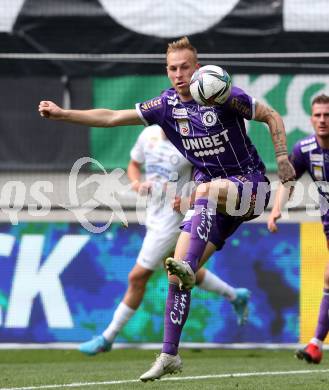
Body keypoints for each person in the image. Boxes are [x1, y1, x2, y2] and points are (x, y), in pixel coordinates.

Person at [38, 36, 295, 381]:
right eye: (172, 68)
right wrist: (64, 114)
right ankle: (169, 355)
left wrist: (281, 157)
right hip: (211, 202)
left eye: (184, 67)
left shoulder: (223, 93)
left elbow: (271, 115)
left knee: (201, 190)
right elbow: (113, 116)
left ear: (197, 67)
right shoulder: (165, 106)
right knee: (178, 274)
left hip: (250, 188)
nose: (178, 74)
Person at [78, 124, 251, 356]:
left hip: (174, 220)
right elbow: (133, 164)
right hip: (154, 213)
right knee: (176, 267)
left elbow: (211, 174)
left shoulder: (190, 142)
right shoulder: (147, 135)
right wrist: (137, 182)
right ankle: (235, 295)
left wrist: (190, 198)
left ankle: (107, 338)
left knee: (137, 277)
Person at [268, 94, 329, 365]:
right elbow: (288, 180)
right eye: (318, 115)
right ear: (311, 118)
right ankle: (316, 344)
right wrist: (277, 208)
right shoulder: (305, 149)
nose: (323, 120)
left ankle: (315, 343)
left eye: (327, 115)